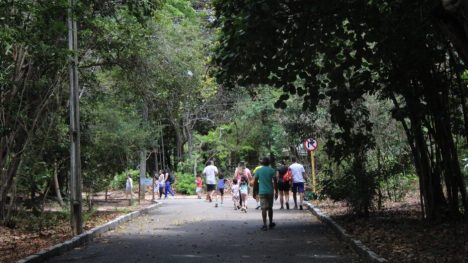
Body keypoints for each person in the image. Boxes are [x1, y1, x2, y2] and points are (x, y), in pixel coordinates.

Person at [253, 157, 278, 231]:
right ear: (269, 163)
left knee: (263, 208)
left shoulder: (258, 170)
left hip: (262, 192)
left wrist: (254, 192)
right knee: (270, 208)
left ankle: (264, 225)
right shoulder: (272, 170)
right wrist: (276, 191)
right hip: (270, 191)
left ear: (262, 163)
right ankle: (270, 223)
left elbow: (255, 182)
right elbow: (275, 182)